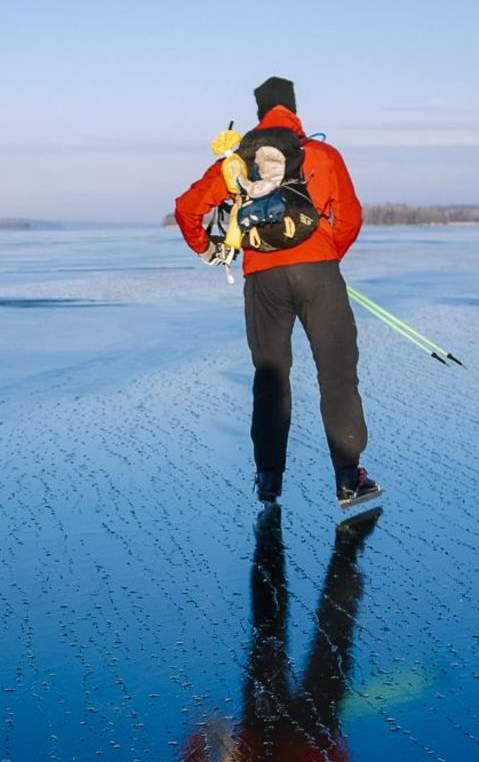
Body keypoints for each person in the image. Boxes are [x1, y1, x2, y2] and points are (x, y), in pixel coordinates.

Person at [174, 76, 381, 506]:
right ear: (294, 108)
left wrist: (210, 250)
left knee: (271, 379)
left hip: (262, 280)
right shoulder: (321, 154)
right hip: (318, 272)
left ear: (258, 114)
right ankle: (348, 480)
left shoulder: (237, 164)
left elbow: (187, 209)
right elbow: (351, 217)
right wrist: (325, 256)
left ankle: (269, 483)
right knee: (337, 373)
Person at [180, 504, 382, 761]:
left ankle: (281, 538)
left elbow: (199, 745)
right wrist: (209, 736)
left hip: (277, 736)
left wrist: (209, 736)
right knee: (290, 633)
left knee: (293, 634)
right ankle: (284, 537)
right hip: (293, 736)